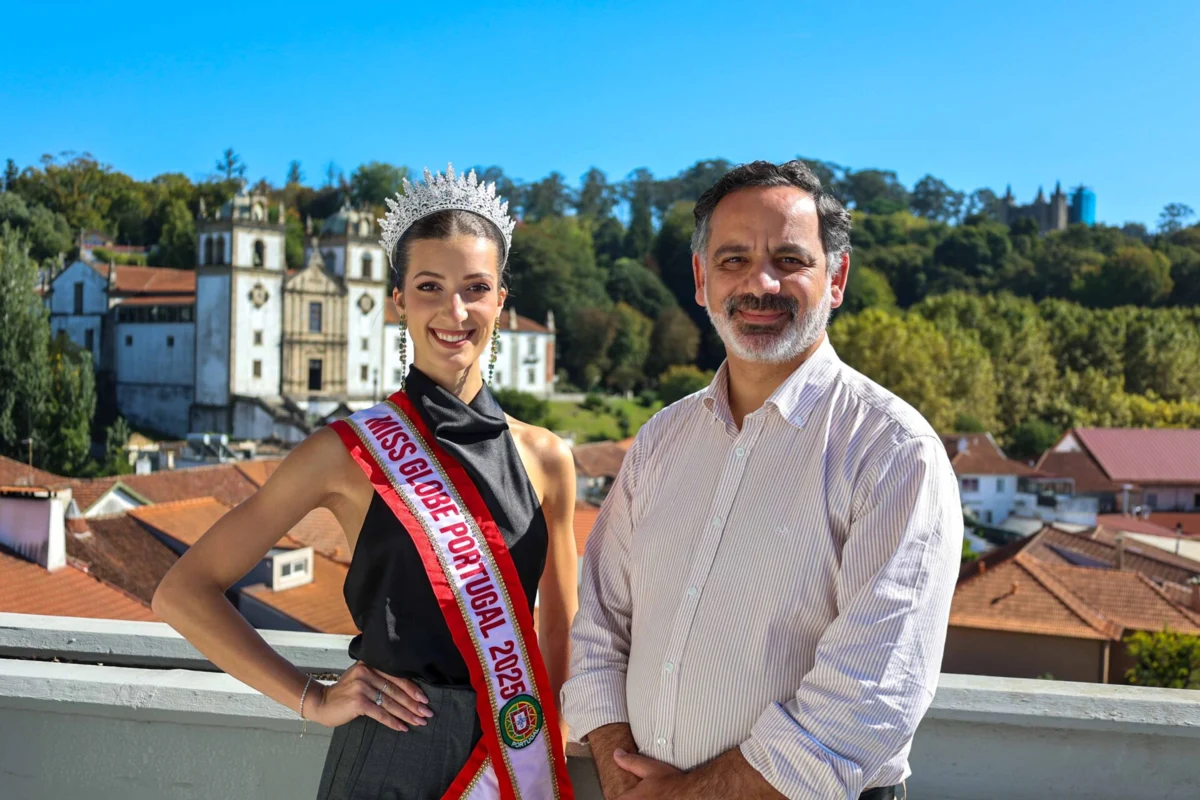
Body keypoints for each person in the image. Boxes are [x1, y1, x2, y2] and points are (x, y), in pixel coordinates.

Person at [154, 165, 578, 800]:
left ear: (501, 299)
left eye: (476, 287)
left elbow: (560, 631)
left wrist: (551, 751)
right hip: (390, 753)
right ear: (399, 300)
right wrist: (311, 697)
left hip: (513, 755)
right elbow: (183, 593)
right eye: (430, 286)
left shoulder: (547, 458)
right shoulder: (346, 453)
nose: (454, 311)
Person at [562, 160, 962, 800]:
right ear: (700, 279)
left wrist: (686, 796)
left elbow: (866, 702)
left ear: (836, 278)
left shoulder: (894, 451)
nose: (761, 283)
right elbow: (600, 630)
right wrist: (617, 768)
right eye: (733, 261)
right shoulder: (662, 440)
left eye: (790, 258)